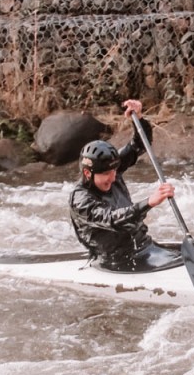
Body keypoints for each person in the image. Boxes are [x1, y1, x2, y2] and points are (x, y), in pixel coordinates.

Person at [69, 99, 180, 271]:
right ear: (87, 173)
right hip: (115, 260)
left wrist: (139, 119)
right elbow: (113, 219)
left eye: (114, 171)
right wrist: (149, 202)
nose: (113, 177)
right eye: (106, 174)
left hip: (144, 247)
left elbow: (139, 145)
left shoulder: (111, 168)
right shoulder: (80, 199)